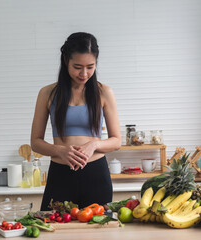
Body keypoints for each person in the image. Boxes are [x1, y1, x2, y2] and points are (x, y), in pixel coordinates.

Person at [30, 32, 121, 210]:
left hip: (96, 175)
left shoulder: (104, 92)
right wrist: (60, 150)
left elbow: (116, 141)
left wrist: (93, 145)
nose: (84, 73)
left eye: (90, 66)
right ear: (66, 61)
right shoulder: (47, 93)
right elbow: (35, 142)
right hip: (60, 175)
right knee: (53, 231)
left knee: (98, 233)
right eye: (78, 66)